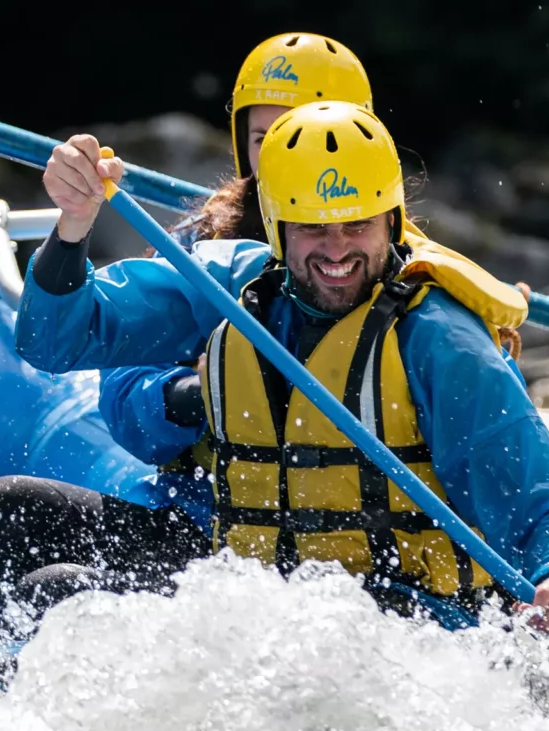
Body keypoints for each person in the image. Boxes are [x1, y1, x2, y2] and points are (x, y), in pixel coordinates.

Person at [0, 99, 549, 645]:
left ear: (391, 220)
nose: (335, 249)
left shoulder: (440, 339)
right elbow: (53, 342)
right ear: (276, 226)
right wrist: (74, 226)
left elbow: (540, 501)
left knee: (66, 595)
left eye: (357, 223)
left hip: (403, 619)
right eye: (312, 228)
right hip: (251, 587)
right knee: (8, 515)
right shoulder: (228, 285)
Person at [101, 32, 376, 480]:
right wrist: (202, 392)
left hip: (356, 522)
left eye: (307, 139)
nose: (281, 159)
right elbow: (124, 393)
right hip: (211, 515)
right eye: (265, 139)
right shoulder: (199, 246)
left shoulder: (403, 258)